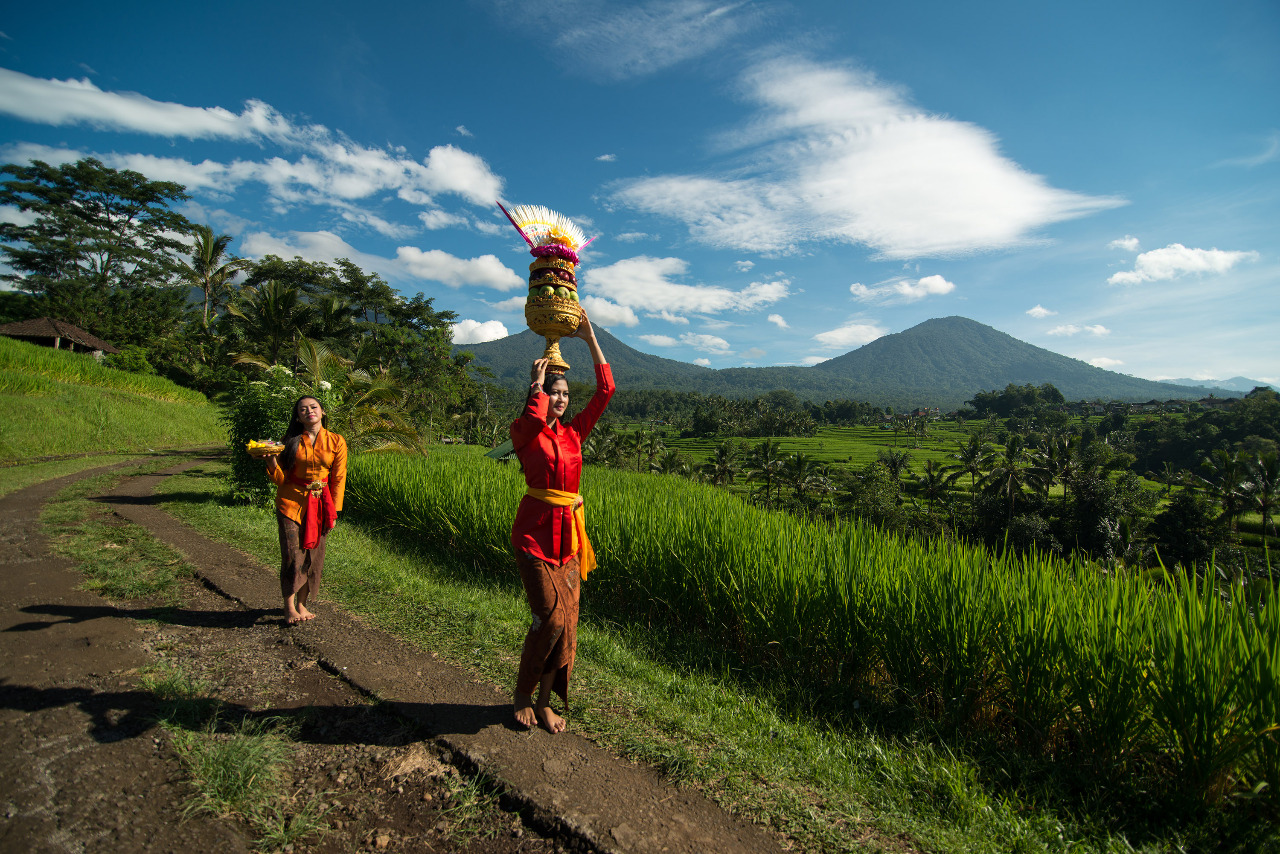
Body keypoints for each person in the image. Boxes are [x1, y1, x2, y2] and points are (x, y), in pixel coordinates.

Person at [509, 309, 614, 733]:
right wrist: (536, 384)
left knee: (568, 625)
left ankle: (546, 701)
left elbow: (606, 391)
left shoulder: (573, 435)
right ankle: (521, 694)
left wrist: (589, 337)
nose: (562, 399)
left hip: (568, 541)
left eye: (566, 394)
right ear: (540, 394)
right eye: (556, 393)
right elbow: (535, 417)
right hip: (534, 538)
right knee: (550, 618)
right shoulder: (524, 431)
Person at [263, 396, 347, 625]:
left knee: (313, 556)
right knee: (292, 555)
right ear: (298, 417)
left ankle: (302, 603)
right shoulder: (288, 441)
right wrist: (271, 461)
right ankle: (289, 606)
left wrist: (335, 512)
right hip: (290, 503)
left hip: (320, 505)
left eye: (313, 407)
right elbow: (280, 479)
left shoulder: (336, 441)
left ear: (322, 412)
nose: (309, 411)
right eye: (303, 409)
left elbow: (338, 478)